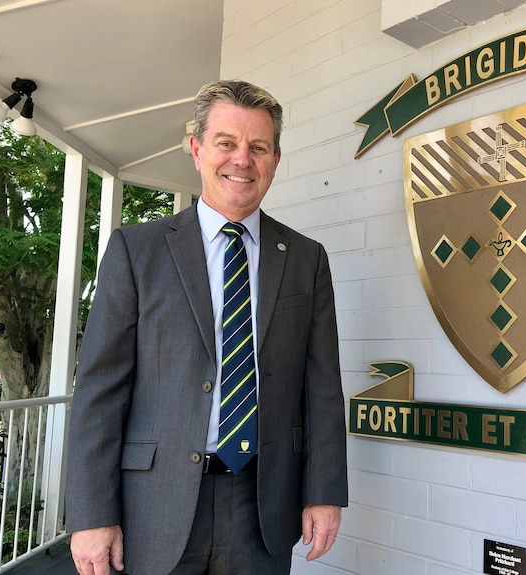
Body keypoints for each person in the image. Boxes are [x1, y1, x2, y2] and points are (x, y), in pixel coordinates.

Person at [65, 80, 348, 575]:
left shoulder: (306, 259)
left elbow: (322, 385)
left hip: (263, 504)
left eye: (258, 147)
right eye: (226, 143)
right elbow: (99, 389)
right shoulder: (137, 250)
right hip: (154, 505)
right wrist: (91, 515)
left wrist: (324, 493)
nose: (242, 160)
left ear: (275, 160)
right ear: (197, 150)